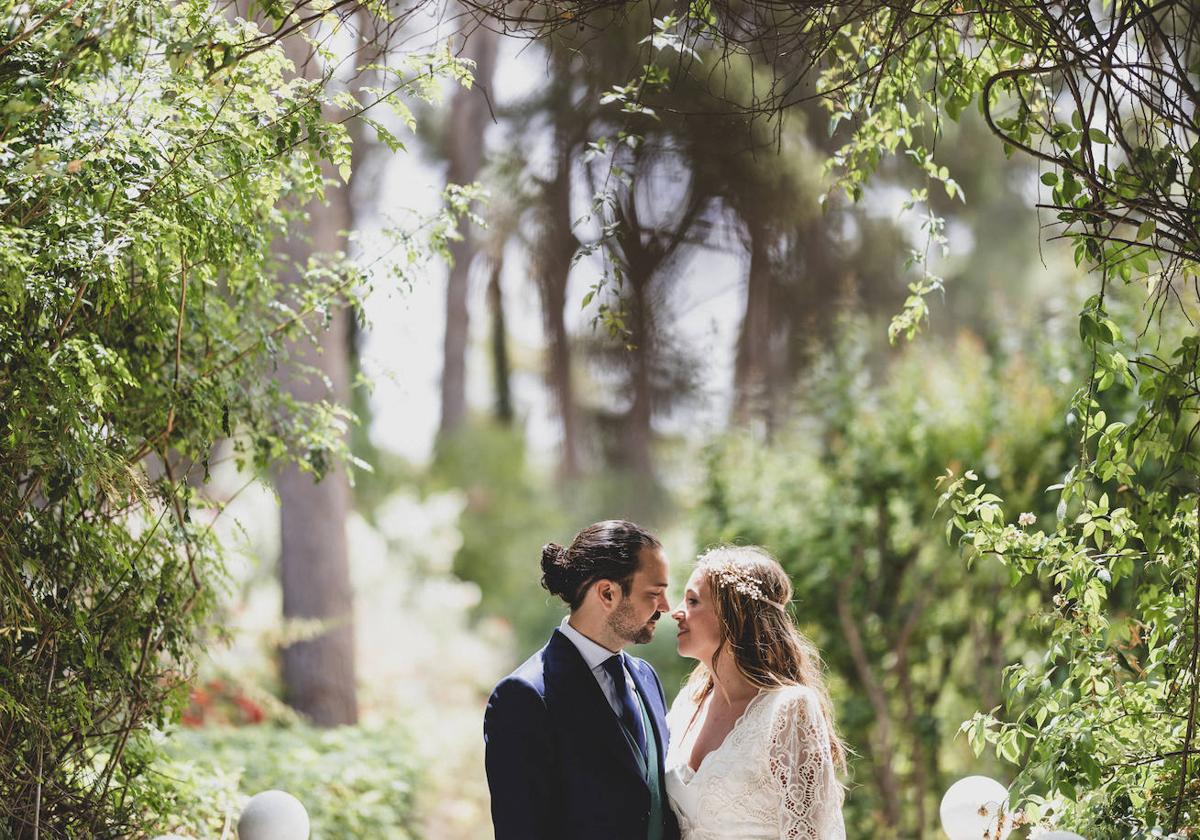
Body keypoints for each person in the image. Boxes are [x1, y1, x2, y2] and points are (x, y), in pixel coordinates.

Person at [483, 520, 680, 840]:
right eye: (654, 593)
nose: (666, 607)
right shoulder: (525, 696)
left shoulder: (646, 678)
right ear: (607, 593)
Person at [666, 545, 846, 839]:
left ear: (733, 613)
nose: (677, 612)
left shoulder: (789, 709)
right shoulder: (687, 703)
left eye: (693, 601)